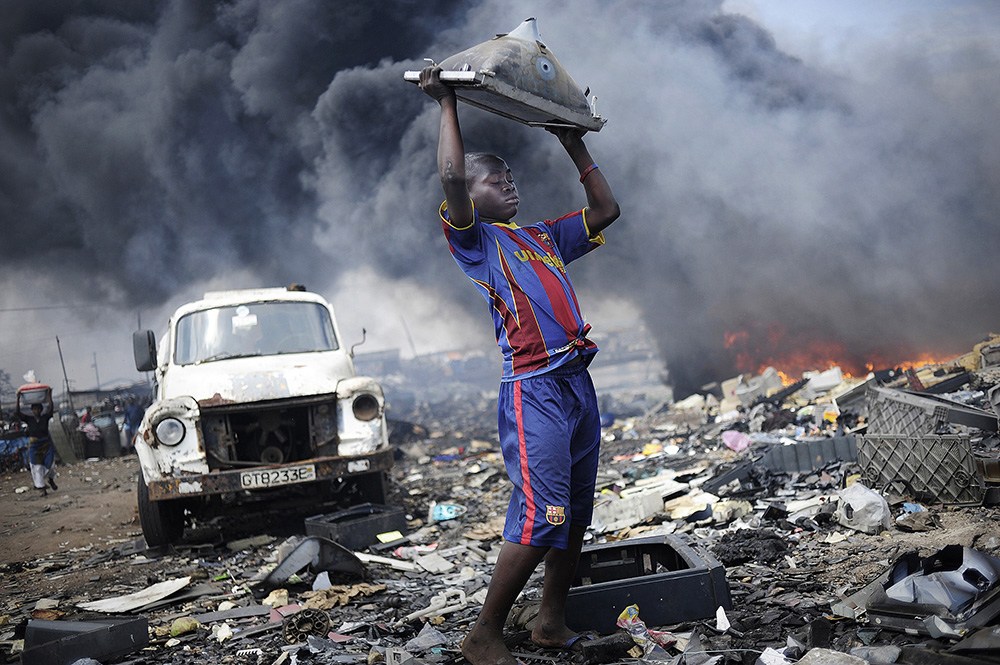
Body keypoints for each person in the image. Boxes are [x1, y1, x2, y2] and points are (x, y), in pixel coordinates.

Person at [419, 66, 621, 665]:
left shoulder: (541, 237)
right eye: (496, 178)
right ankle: (484, 634)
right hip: (534, 391)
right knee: (543, 513)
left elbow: (606, 210)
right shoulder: (474, 239)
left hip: (576, 386)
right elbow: (452, 172)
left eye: (510, 177)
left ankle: (550, 624)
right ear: (471, 196)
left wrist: (572, 141)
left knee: (575, 513)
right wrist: (446, 100)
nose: (509, 184)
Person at [16, 390, 58, 497]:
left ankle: (51, 479)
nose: (37, 411)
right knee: (37, 467)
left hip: (46, 443)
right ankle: (42, 488)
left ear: (41, 410)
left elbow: (51, 408)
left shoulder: (45, 418)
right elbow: (18, 413)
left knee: (50, 465)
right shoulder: (29, 419)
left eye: (38, 409)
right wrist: (18, 398)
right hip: (35, 445)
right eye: (34, 409)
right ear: (32, 410)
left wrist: (49, 395)